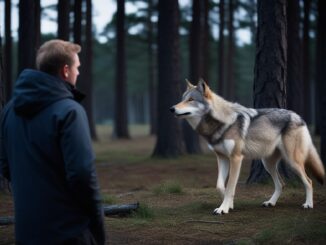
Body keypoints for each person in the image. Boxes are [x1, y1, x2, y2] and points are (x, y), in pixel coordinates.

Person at [0, 40, 106, 244]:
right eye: (77, 67)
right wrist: (96, 223)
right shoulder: (70, 111)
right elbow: (82, 175)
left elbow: (5, 166)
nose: (78, 72)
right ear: (65, 70)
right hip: (69, 232)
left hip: (27, 230)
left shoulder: (9, 110)